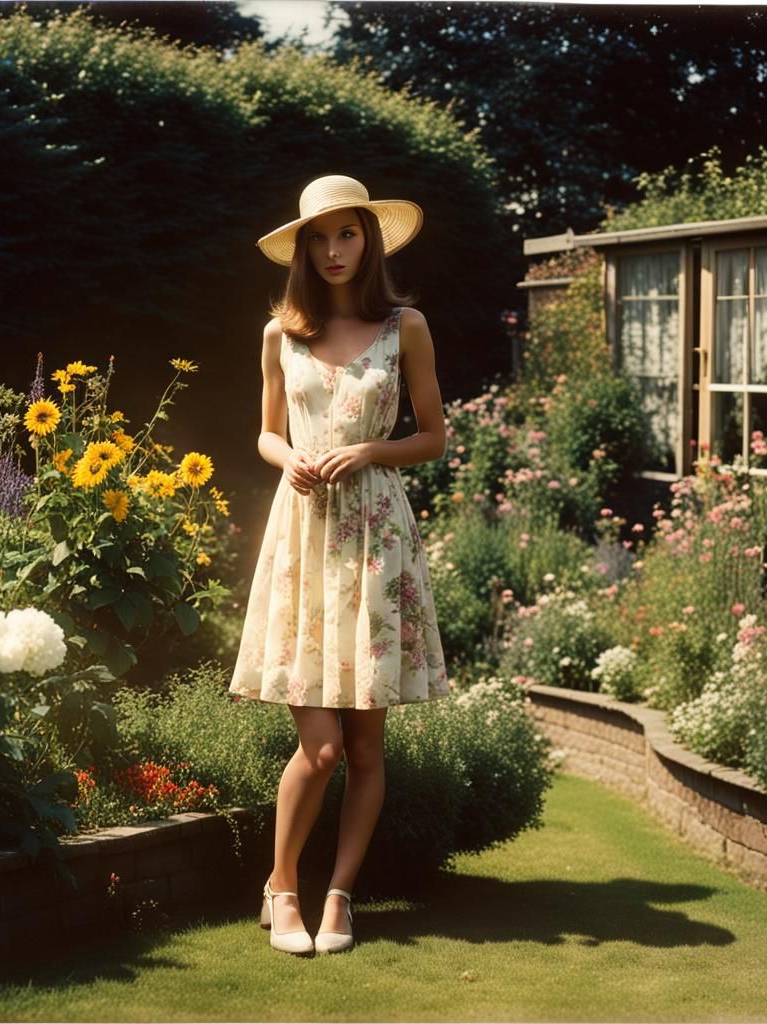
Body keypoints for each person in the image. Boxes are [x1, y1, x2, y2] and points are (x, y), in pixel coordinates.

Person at [229, 174, 451, 956]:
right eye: (319, 238)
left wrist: (370, 450)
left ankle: (339, 899)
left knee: (364, 750)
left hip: (377, 539)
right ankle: (280, 886)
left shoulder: (406, 327)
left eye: (347, 235)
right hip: (304, 538)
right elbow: (263, 432)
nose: (332, 250)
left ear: (370, 239)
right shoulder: (279, 334)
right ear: (301, 248)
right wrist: (288, 455)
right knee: (320, 747)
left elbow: (434, 437)